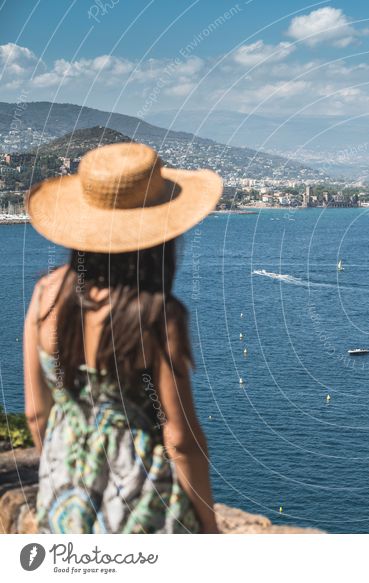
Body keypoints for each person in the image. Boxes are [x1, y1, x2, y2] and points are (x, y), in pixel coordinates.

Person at [23, 142, 222, 533]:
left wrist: (65, 468)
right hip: (143, 505)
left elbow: (36, 413)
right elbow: (179, 440)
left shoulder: (46, 294)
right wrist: (210, 528)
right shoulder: (158, 316)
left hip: (63, 498)